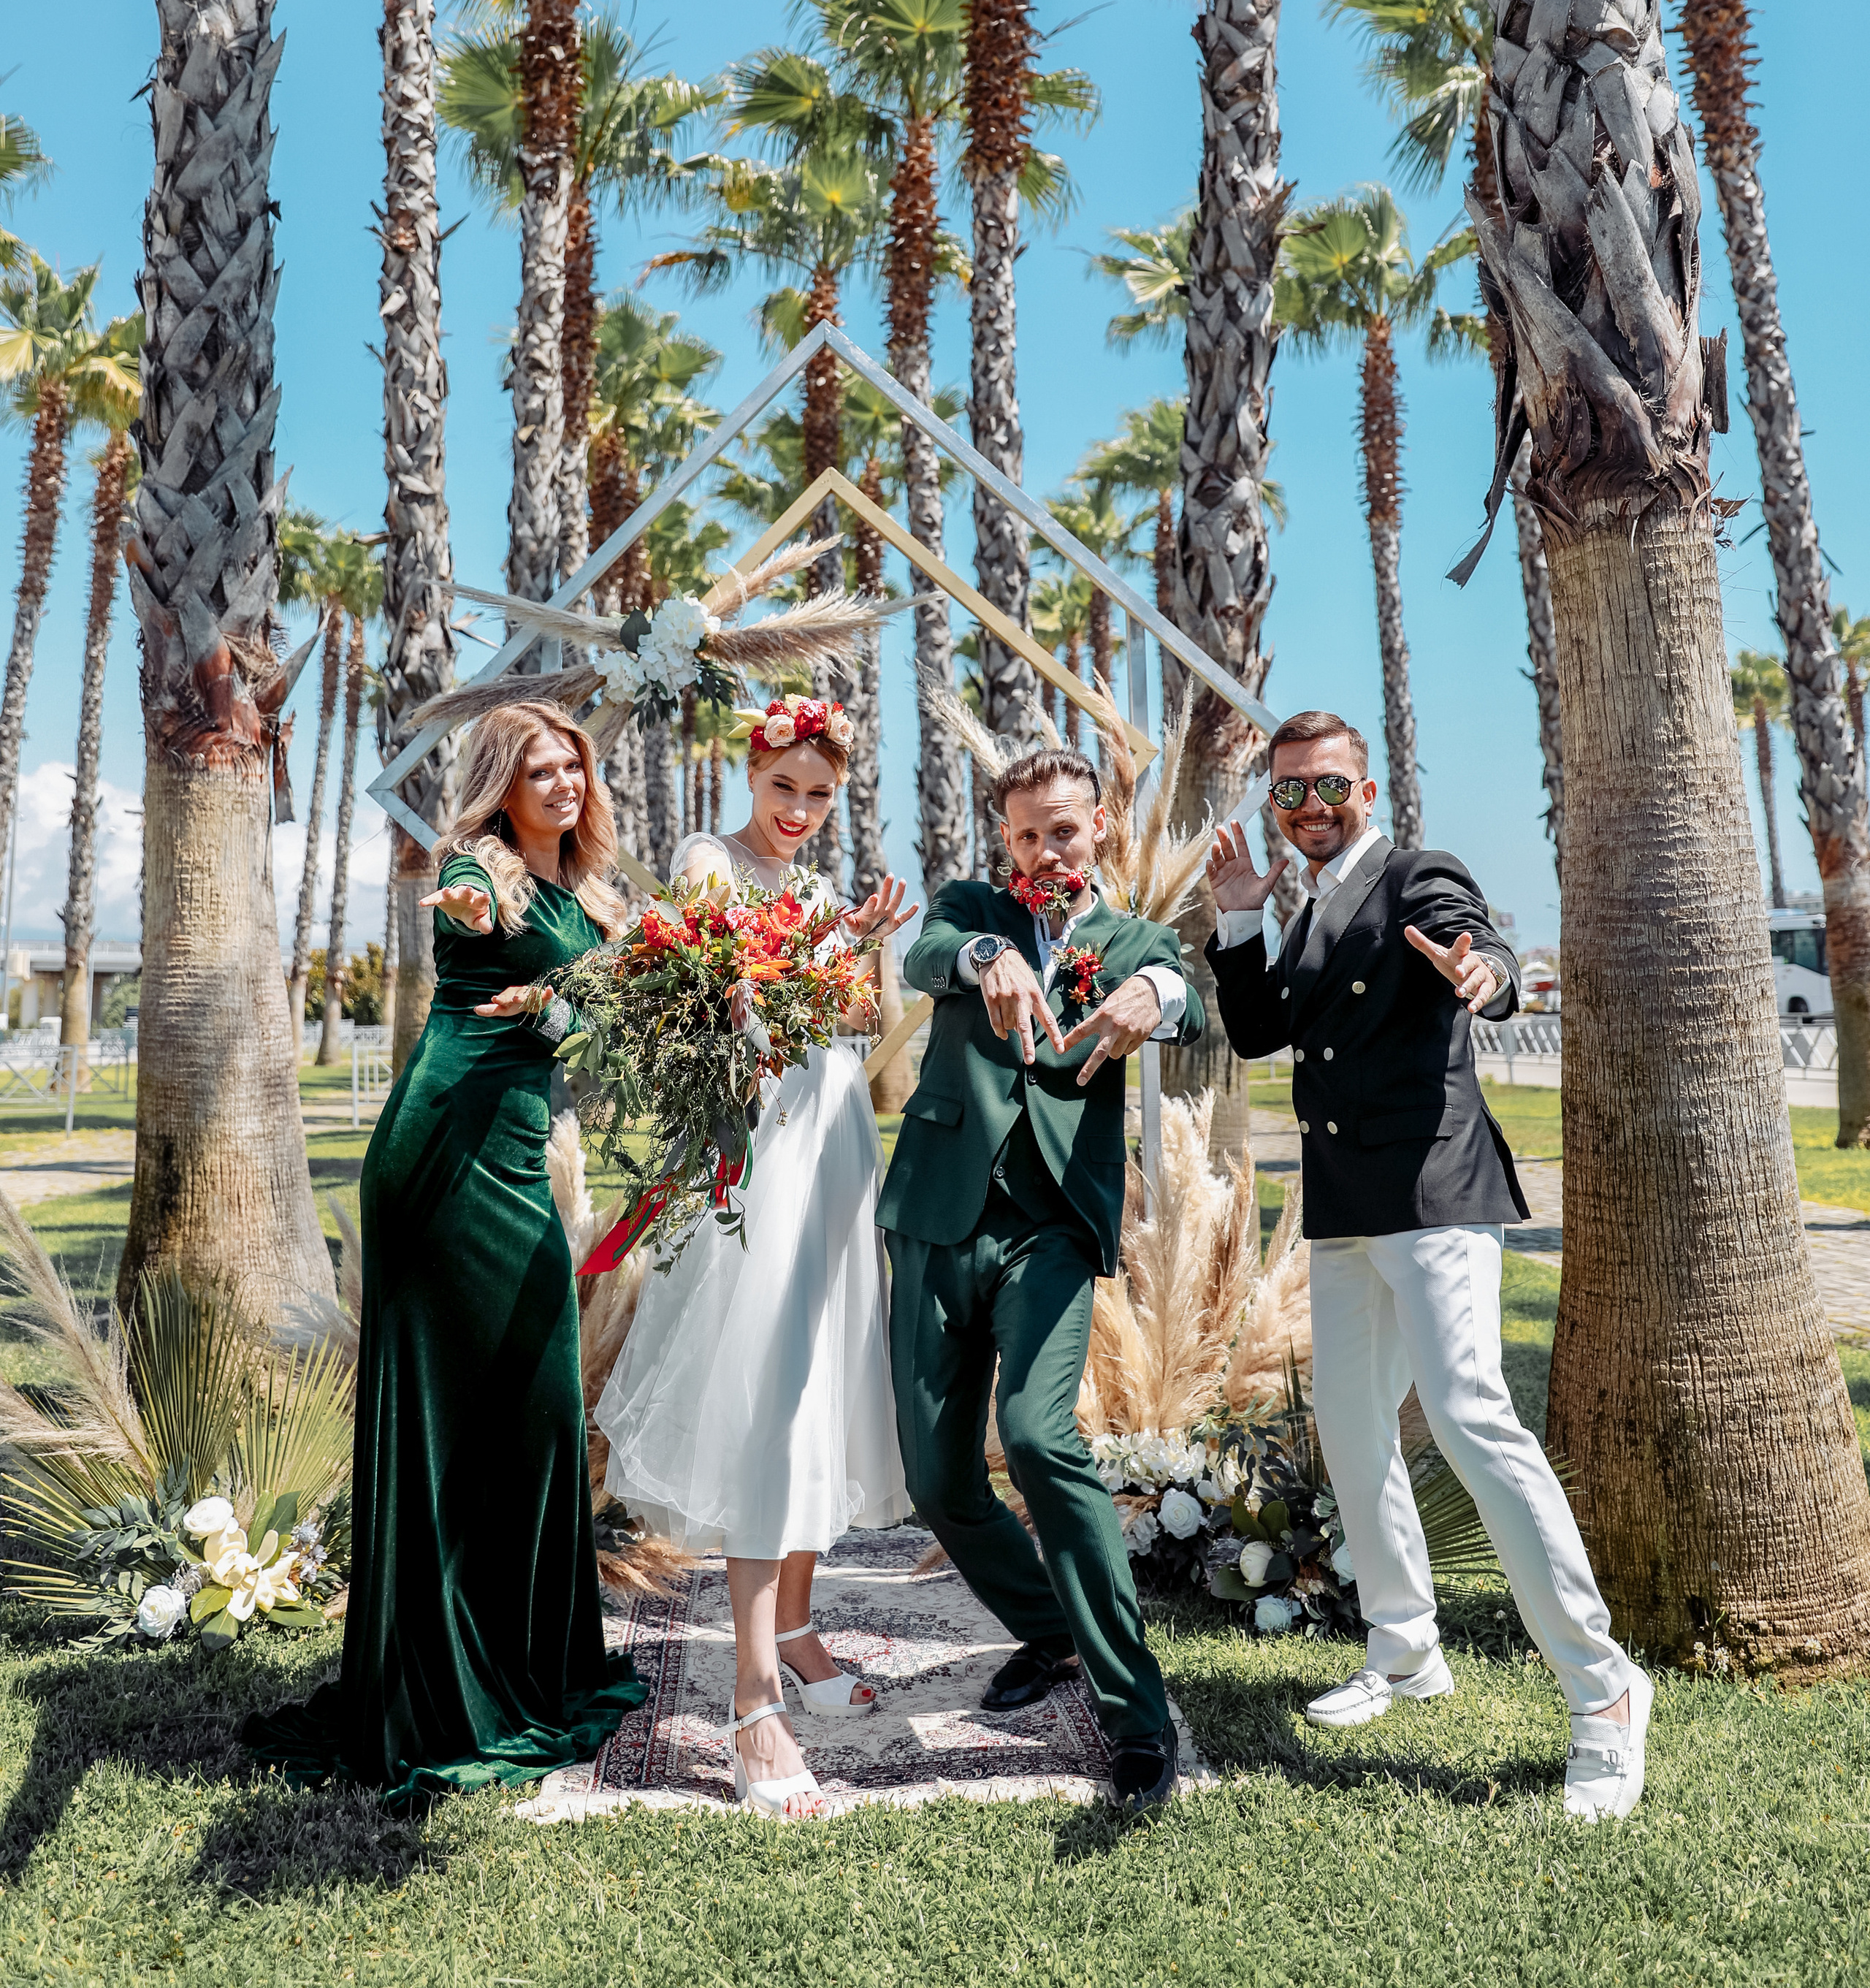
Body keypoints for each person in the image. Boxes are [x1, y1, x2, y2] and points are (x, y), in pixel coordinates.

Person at [1205, 707, 1652, 1823]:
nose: (1311, 808)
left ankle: (1603, 1691)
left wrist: (1485, 974)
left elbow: (1476, 945)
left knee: (1469, 1416)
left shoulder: (1415, 875)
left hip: (1436, 1196)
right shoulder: (1302, 912)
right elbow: (1259, 1034)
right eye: (1290, 792)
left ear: (1370, 789)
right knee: (1355, 1436)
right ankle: (1405, 1647)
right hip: (1346, 1206)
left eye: (1330, 787)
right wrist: (1237, 919)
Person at [245, 702, 646, 1807]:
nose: (562, 783)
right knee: (452, 1413)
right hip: (443, 1156)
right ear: (500, 786)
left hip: (517, 1156)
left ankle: (529, 1660)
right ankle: (438, 1689)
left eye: (573, 765)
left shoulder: (590, 891)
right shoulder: (485, 873)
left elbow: (601, 1010)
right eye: (537, 769)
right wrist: (486, 921)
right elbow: (467, 914)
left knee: (535, 1407)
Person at [594, 696, 917, 1822]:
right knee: (768, 1399)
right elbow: (729, 1013)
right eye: (784, 787)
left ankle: (797, 1626)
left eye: (820, 794)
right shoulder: (706, 863)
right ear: (753, 774)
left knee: (822, 1385)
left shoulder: (827, 890)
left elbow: (852, 1021)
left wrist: (863, 944)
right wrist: (784, 979)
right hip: (756, 1158)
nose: (800, 811)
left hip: (831, 1146)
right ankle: (750, 1698)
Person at [878, 742, 1206, 1816]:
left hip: (1051, 1231)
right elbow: (926, 954)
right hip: (935, 1216)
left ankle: (1136, 1717)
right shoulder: (972, 907)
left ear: (1099, 825)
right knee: (936, 1480)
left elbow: (1186, 990)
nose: (1042, 850)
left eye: (1061, 829)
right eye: (1023, 834)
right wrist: (987, 956)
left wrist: (1150, 995)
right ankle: (1051, 1625)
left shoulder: (1127, 940)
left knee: (1036, 1435)